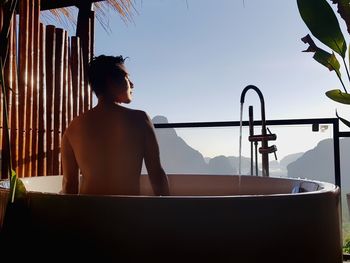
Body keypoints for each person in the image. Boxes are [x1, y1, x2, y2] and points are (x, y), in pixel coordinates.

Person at [61, 55, 169, 196]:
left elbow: (70, 185)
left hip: (87, 214)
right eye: (126, 77)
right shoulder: (140, 119)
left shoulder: (73, 127)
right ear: (111, 81)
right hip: (128, 214)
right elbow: (157, 175)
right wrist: (168, 214)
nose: (132, 84)